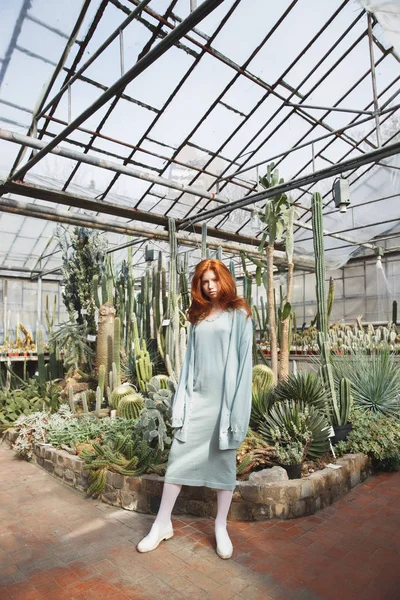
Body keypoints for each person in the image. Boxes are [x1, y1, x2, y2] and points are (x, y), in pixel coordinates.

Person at [137, 259, 253, 559]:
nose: (210, 286)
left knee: (224, 465)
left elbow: (244, 368)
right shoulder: (198, 317)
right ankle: (162, 523)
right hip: (198, 400)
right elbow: (189, 365)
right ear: (199, 285)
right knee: (177, 460)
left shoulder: (239, 314)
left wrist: (238, 413)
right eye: (204, 281)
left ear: (224, 280)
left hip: (224, 405)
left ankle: (220, 527)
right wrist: (182, 403)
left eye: (214, 280)